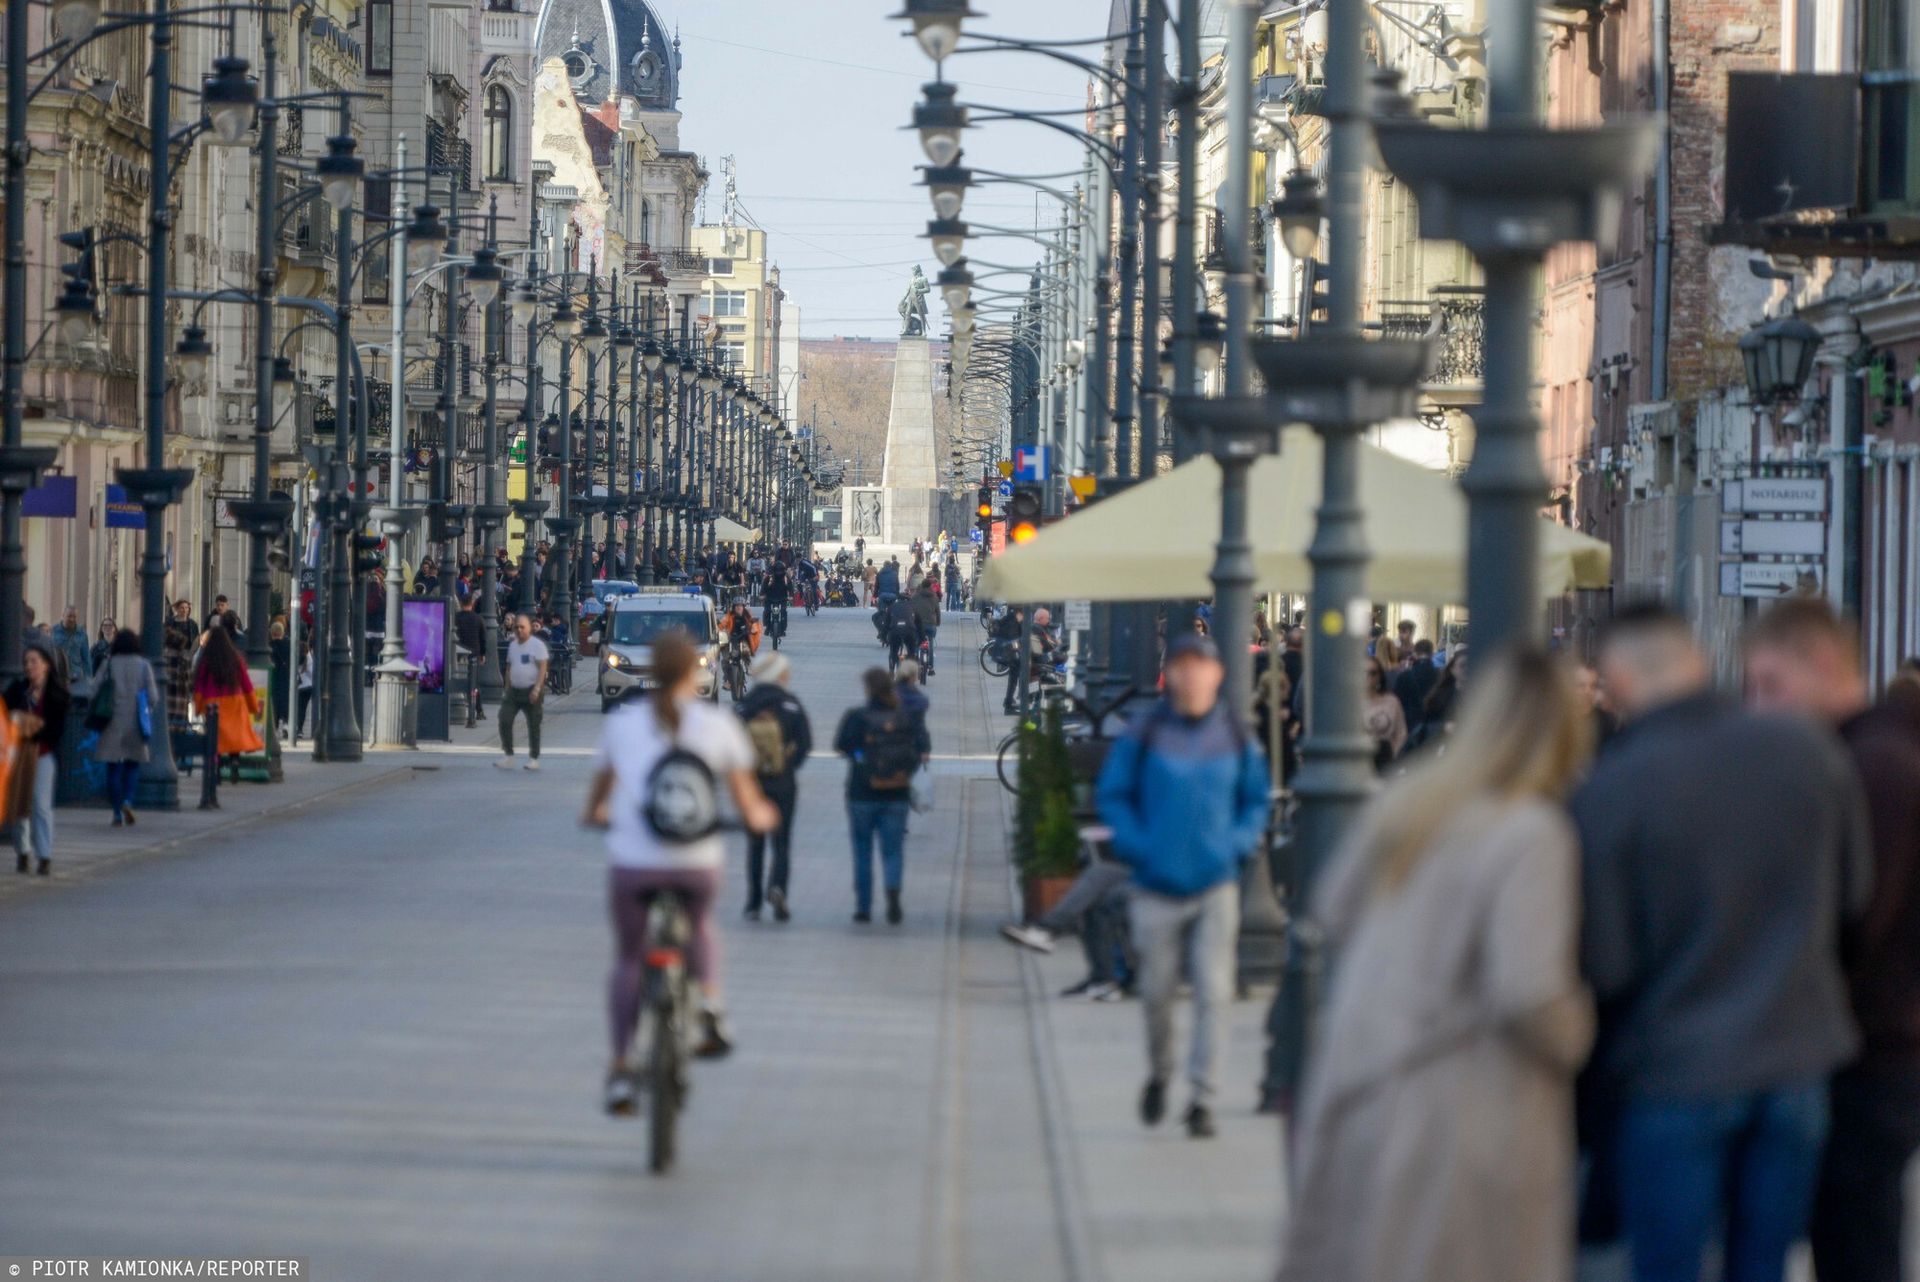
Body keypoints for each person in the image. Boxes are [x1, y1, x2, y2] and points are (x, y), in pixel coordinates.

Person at [1573, 604, 1870, 1282]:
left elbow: (1607, 960)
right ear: (1701, 662)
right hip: (1795, 1061)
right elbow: (1853, 895)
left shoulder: (1613, 788)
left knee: (1669, 1266)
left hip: (1672, 1071)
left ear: (1616, 677)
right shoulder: (1807, 751)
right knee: (1763, 1265)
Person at [1278, 650, 1594, 1282]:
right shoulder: (1532, 832)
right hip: (1466, 1105)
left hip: (1363, 1078)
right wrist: (1583, 1034)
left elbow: (1331, 910)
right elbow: (1529, 989)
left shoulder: (1410, 801)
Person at [1742, 600, 1920, 1282]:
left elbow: (1854, 919)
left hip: (1867, 1056)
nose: (1761, 707)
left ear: (1824, 665)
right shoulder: (1873, 753)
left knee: (1857, 1245)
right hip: (1877, 1048)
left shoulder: (1873, 765)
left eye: (1771, 685)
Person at [583, 630, 779, 1115]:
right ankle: (710, 1003)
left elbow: (599, 800)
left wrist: (597, 816)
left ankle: (623, 1067)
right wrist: (760, 818)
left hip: (633, 863)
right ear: (695, 672)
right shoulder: (716, 726)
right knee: (702, 924)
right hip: (696, 862)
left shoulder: (624, 724)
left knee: (630, 959)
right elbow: (748, 801)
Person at [1094, 633, 1268, 1138]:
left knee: (1214, 992)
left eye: (1201, 667)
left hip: (1215, 885)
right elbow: (1115, 794)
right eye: (1182, 667)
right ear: (1169, 675)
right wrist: (1136, 844)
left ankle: (1202, 1098)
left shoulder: (1236, 735)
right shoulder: (1144, 733)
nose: (1192, 676)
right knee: (1157, 993)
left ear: (1218, 675)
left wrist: (1237, 843)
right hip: (1155, 883)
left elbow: (1255, 800)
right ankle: (1160, 1073)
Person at [834, 667, 930, 925]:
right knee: (893, 851)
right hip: (896, 793)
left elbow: (841, 745)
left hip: (862, 792)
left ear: (868, 689)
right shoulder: (905, 717)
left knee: (863, 851)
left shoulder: (858, 716)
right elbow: (920, 747)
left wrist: (859, 755)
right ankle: (893, 898)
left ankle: (863, 907)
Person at [736, 650, 812, 922]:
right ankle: (778, 887)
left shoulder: (745, 706)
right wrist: (787, 766)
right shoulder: (790, 704)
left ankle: (753, 902)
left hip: (753, 785)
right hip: (783, 784)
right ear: (781, 676)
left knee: (755, 844)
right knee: (782, 842)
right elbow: (805, 745)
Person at [8, 640, 70, 876]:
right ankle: (23, 852)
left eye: (34, 661)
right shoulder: (17, 690)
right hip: (19, 754)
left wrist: (33, 730)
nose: (29, 666)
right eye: (26, 662)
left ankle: (44, 855)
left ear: (46, 665)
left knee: (41, 806)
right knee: (20, 803)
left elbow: (57, 730)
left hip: (43, 754)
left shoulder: (57, 694)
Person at [92, 628, 161, 827]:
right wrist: (147, 708)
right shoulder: (143, 666)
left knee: (112, 766)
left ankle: (116, 813)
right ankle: (128, 801)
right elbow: (153, 696)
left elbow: (94, 689)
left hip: (111, 720)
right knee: (132, 764)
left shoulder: (108, 664)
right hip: (135, 721)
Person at [191, 622, 265, 759]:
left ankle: (216, 764)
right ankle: (234, 761)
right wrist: (253, 706)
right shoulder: (235, 658)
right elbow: (246, 684)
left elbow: (200, 684)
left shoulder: (207, 659)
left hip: (212, 702)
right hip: (234, 701)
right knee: (234, 735)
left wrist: (198, 707)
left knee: (215, 736)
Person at [496, 613, 548, 771]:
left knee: (533, 724)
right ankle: (509, 755)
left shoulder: (537, 645)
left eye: (522, 627)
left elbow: (543, 668)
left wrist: (537, 688)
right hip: (514, 691)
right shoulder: (512, 645)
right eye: (516, 627)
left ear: (529, 628)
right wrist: (506, 688)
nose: (519, 630)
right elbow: (509, 667)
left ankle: (533, 758)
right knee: (504, 718)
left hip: (532, 689)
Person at [1362, 654, 1408, 769]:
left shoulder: (1392, 702)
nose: (1368, 677)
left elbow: (1401, 733)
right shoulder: (1349, 703)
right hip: (1358, 759)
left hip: (1384, 759)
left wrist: (1394, 754)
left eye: (1373, 673)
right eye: (1364, 672)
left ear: (1379, 676)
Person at [1392, 638, 1438, 739]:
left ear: (1415, 653)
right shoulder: (1440, 675)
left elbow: (1396, 700)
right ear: (1432, 653)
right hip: (1433, 724)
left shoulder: (1404, 675)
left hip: (1409, 724)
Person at [454, 593, 487, 718]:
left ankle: (459, 704)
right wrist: (483, 654)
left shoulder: (456, 618)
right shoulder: (478, 619)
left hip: (458, 653)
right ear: (472, 603)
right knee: (474, 682)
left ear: (461, 604)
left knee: (458, 677)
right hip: (474, 653)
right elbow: (483, 638)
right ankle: (478, 710)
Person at [49, 607, 89, 687]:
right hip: (58, 675)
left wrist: (88, 679)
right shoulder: (53, 631)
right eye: (69, 616)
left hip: (76, 676)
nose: (72, 619)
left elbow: (86, 658)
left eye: (74, 617)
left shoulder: (82, 633)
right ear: (63, 616)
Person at [910, 577, 941, 675]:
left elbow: (910, 609)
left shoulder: (915, 596)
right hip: (931, 625)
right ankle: (931, 667)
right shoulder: (934, 597)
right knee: (930, 643)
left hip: (917, 624)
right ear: (930, 586)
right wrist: (938, 623)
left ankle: (914, 663)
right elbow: (938, 612)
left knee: (916, 642)